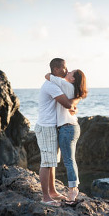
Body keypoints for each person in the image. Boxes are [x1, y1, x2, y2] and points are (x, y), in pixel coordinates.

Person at [34, 58, 79, 207]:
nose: (66, 70)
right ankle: (46, 197)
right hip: (46, 126)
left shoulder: (54, 83)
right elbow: (67, 103)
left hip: (52, 126)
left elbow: (69, 102)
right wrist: (74, 103)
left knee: (52, 162)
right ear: (56, 69)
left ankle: (52, 192)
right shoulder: (51, 86)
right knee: (47, 162)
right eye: (64, 68)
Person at [46, 69, 88, 203]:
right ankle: (73, 187)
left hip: (67, 128)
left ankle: (73, 190)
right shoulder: (73, 89)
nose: (67, 72)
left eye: (70, 72)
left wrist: (59, 74)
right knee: (71, 160)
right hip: (72, 127)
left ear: (73, 79)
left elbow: (47, 75)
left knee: (69, 161)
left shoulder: (66, 85)